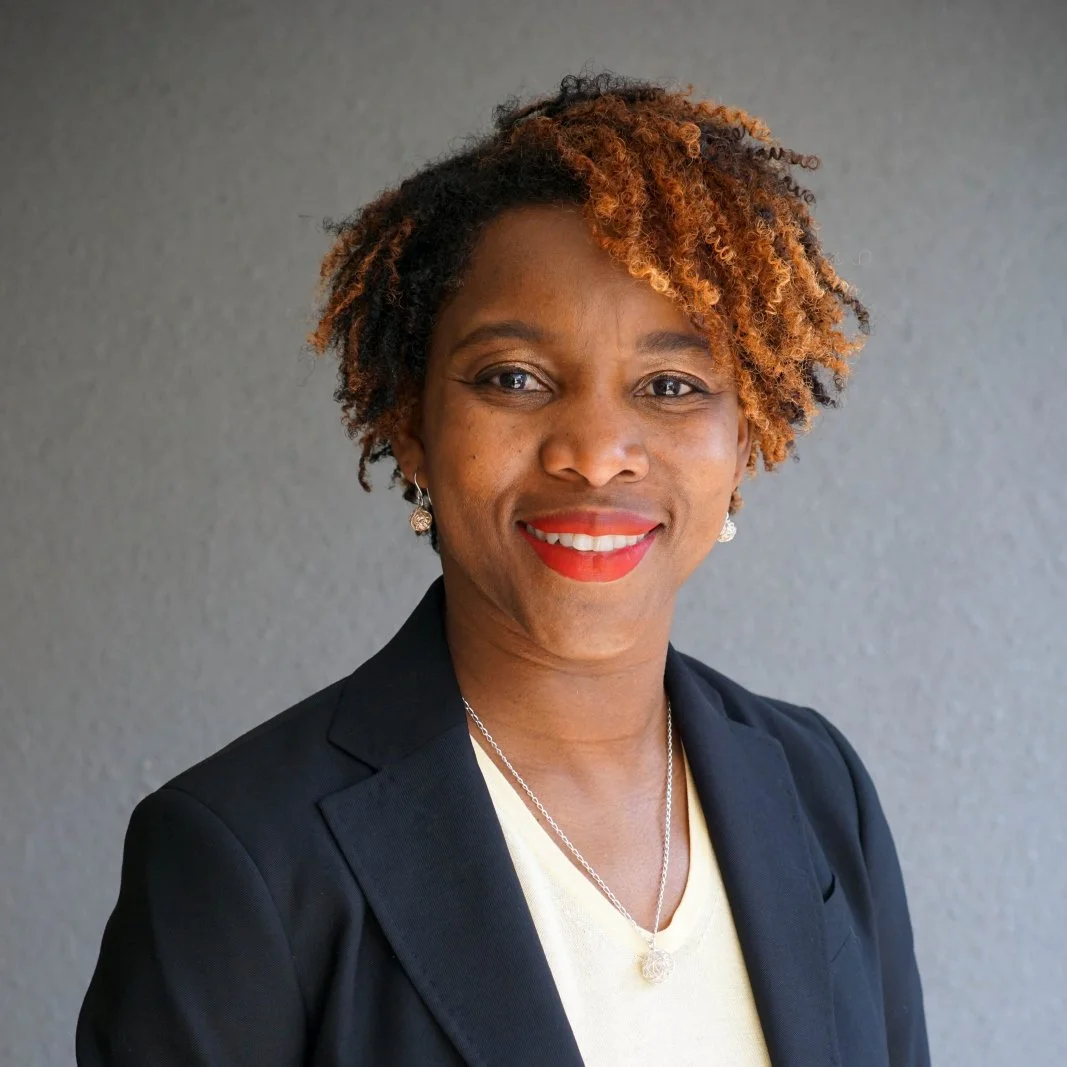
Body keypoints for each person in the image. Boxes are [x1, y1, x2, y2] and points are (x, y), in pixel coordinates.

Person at [77, 72, 930, 1066]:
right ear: (411, 420)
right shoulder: (245, 854)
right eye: (515, 378)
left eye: (669, 385)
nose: (596, 452)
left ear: (745, 438)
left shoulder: (816, 784)